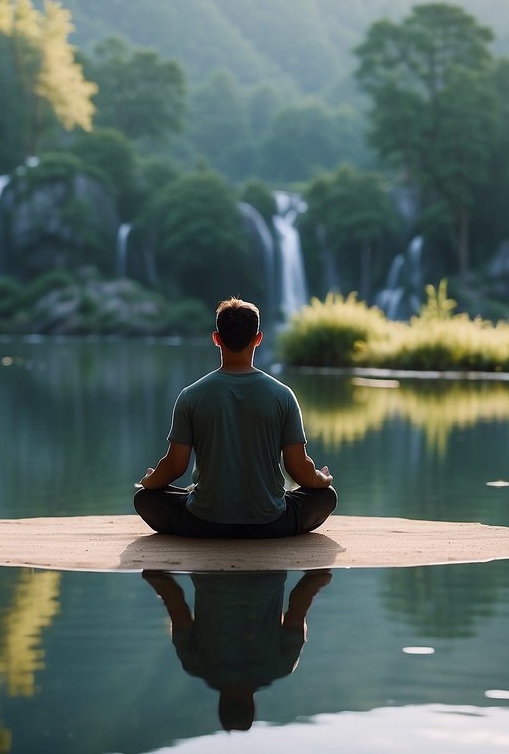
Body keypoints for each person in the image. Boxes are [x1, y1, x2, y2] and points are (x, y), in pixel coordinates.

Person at [134, 297, 337, 538]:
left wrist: (150, 480)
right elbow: (297, 468)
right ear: (258, 339)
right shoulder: (283, 395)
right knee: (326, 496)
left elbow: (175, 466)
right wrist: (320, 479)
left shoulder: (191, 395)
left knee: (145, 498)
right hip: (270, 522)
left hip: (203, 522)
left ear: (216, 339)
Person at [142, 569, 332, 731]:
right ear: (220, 703)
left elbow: (300, 601)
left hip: (268, 568)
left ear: (252, 705)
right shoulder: (194, 664)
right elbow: (174, 600)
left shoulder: (281, 666)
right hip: (209, 567)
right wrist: (153, 575)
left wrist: (320, 577)